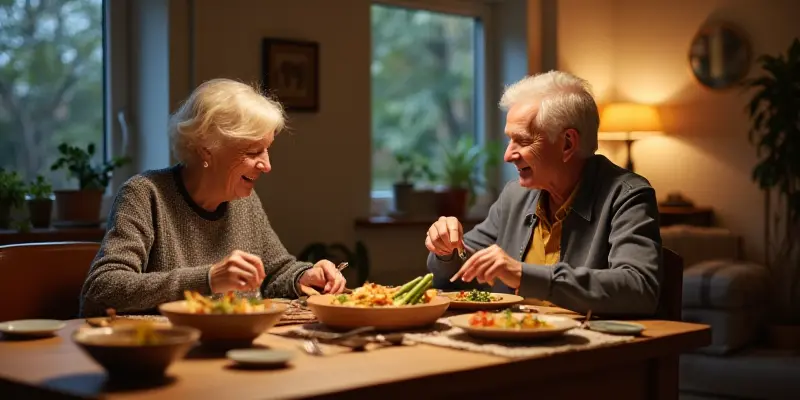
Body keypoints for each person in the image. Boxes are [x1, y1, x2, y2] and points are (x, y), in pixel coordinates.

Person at [80, 78, 346, 317]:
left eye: (267, 150)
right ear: (207, 149)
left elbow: (274, 272)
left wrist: (304, 276)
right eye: (254, 152)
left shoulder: (245, 200)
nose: (267, 165)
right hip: (163, 350)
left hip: (235, 346)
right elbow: (102, 287)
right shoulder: (146, 194)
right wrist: (208, 279)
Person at [425, 71, 662, 316]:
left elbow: (638, 290)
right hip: (513, 343)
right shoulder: (515, 196)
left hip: (589, 349)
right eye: (509, 140)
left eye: (523, 141)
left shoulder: (627, 195)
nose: (507, 156)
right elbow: (454, 276)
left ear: (568, 143)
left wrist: (522, 274)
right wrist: (446, 250)